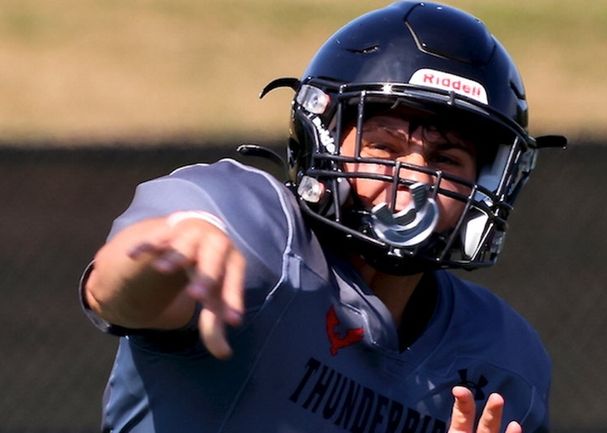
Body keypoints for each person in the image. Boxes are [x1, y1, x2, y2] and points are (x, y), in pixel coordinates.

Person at [81, 2, 566, 432]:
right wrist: (163, 258)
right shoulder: (251, 231)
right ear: (325, 139)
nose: (416, 179)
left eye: (447, 160)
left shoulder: (503, 363)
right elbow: (112, 293)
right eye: (384, 148)